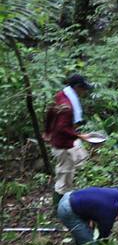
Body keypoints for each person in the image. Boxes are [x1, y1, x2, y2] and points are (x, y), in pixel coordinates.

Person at [44, 74, 94, 204]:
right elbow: (62, 128)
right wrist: (80, 136)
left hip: (59, 140)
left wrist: (47, 131)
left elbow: (50, 111)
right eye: (83, 89)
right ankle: (60, 207)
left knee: (78, 158)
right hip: (62, 144)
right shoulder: (68, 107)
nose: (84, 92)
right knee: (64, 177)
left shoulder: (61, 95)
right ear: (77, 87)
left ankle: (67, 190)